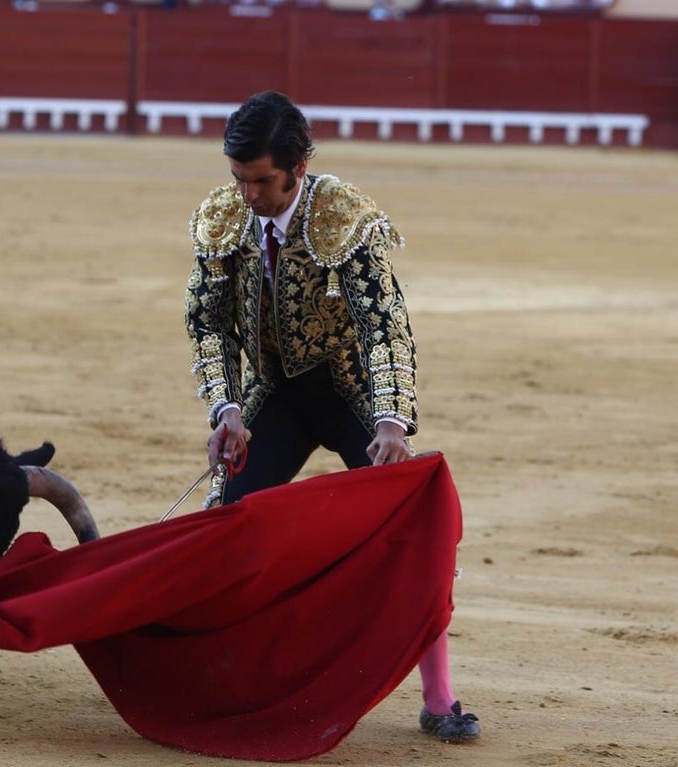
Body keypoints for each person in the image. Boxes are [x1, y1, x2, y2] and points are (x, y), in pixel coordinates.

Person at [183, 90, 480, 743]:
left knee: (410, 527)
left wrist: (390, 421)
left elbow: (385, 328)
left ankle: (439, 696)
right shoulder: (223, 216)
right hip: (276, 396)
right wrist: (226, 408)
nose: (248, 194)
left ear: (300, 164)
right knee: (225, 524)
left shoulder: (343, 218)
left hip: (347, 391)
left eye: (261, 181)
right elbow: (208, 323)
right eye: (239, 178)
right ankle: (212, 676)